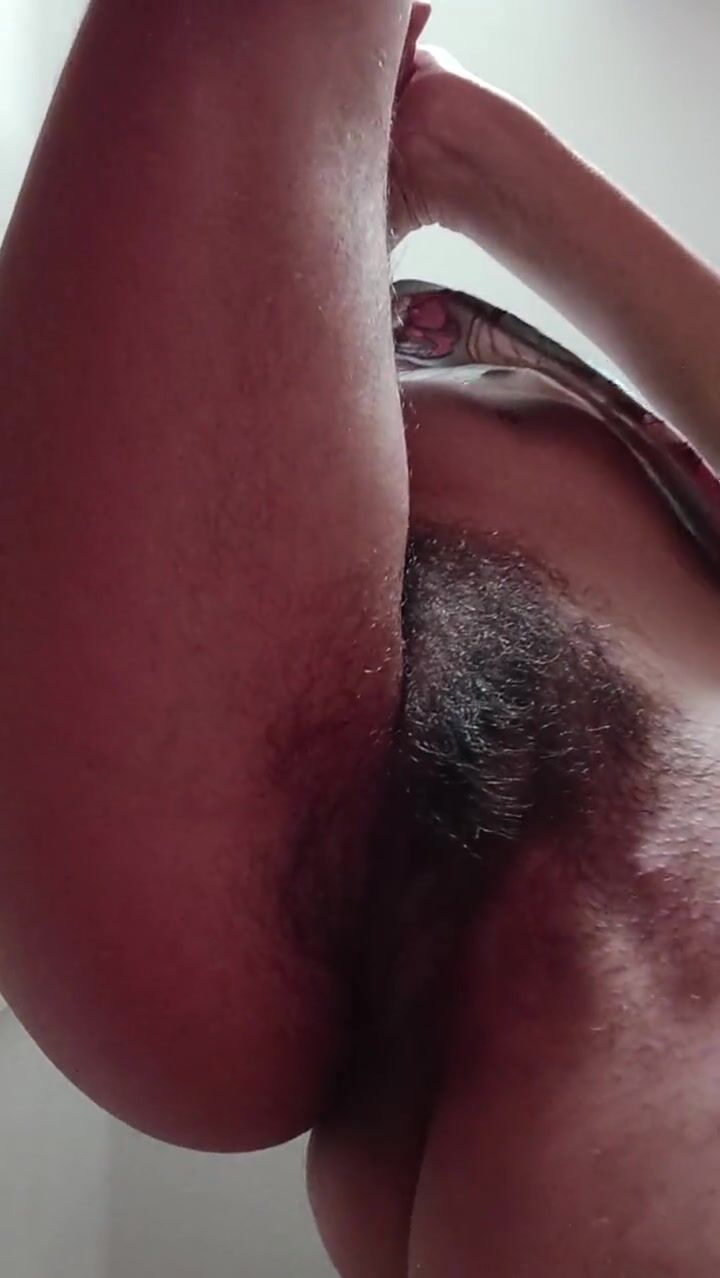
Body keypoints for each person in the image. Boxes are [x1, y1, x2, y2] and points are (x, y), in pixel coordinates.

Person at [0, 1, 718, 1273]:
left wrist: (467, 150)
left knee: (629, 936)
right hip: (244, 780)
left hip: (233, 794)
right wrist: (464, 147)